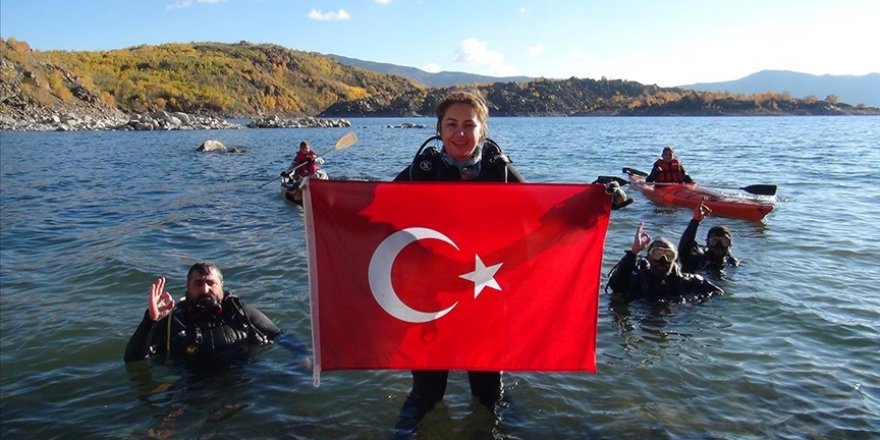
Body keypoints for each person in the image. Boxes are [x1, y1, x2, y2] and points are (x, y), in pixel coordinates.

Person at [391, 91, 628, 432]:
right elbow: (370, 210)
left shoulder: (499, 170)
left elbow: (545, 216)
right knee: (428, 392)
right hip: (434, 295)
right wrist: (314, 197)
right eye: (451, 124)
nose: (460, 133)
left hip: (485, 292)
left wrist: (600, 198)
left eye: (469, 125)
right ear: (439, 130)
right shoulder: (420, 171)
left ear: (482, 130)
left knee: (488, 392)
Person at [124, 262, 282, 363]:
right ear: (188, 287)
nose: (205, 289)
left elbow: (280, 336)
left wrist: (301, 356)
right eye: (198, 283)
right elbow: (133, 359)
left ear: (221, 285)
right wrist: (150, 321)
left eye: (210, 283)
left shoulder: (239, 312)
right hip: (192, 389)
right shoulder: (175, 319)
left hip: (239, 381)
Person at [607, 222, 722, 304]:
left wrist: (692, 303)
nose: (663, 260)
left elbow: (717, 293)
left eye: (669, 255)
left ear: (675, 260)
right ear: (649, 258)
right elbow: (617, 285)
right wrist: (633, 253)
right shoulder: (637, 279)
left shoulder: (684, 281)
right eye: (657, 254)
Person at [678, 202, 739, 273]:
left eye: (724, 241)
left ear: (730, 245)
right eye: (714, 240)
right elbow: (684, 249)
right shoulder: (699, 258)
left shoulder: (731, 262)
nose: (719, 245)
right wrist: (695, 221)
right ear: (707, 242)